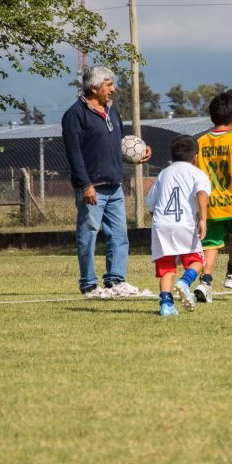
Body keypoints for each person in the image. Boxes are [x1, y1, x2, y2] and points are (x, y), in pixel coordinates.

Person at [62, 65, 150, 299]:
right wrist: (85, 184)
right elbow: (74, 154)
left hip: (115, 187)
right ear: (94, 87)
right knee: (88, 234)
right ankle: (89, 285)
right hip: (92, 188)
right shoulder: (75, 115)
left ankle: (115, 281)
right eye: (109, 84)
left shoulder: (112, 110)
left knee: (120, 235)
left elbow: (119, 142)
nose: (113, 88)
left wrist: (138, 152)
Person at [193, 90, 232, 303]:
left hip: (210, 206)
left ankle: (206, 280)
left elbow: (194, 170)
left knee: (211, 244)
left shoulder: (201, 142)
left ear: (212, 117)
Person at [145, 135, 211, 316]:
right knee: (197, 261)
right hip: (184, 223)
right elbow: (202, 192)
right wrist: (203, 219)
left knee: (167, 268)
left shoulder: (163, 173)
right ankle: (185, 281)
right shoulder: (197, 173)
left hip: (161, 224)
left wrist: (159, 223)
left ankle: (166, 305)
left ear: (172, 156)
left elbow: (150, 204)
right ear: (195, 157)